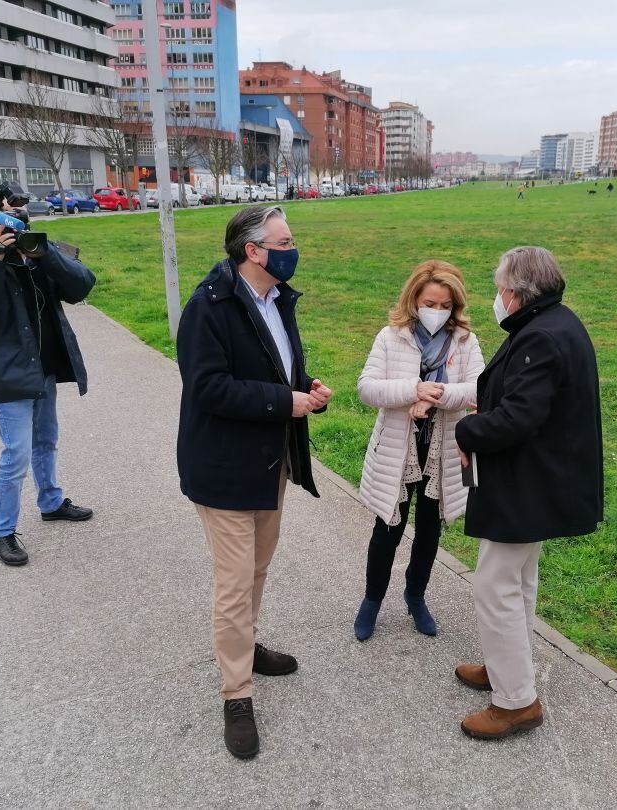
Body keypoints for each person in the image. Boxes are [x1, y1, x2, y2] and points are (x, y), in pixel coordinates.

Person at [176, 205, 334, 760]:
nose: (294, 248)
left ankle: (245, 647)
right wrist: (283, 401)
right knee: (234, 580)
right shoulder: (209, 307)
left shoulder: (276, 299)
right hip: (223, 469)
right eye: (285, 240)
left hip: (271, 464)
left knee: (257, 570)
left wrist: (304, 385)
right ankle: (236, 694)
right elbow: (208, 389)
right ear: (254, 251)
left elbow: (275, 365)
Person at [453, 246, 603, 739]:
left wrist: (468, 432)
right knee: (517, 579)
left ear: (516, 294)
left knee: (496, 583)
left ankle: (515, 701)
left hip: (527, 484)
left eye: (500, 290)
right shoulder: (554, 323)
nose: (497, 298)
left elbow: (518, 418)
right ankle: (507, 669)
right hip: (539, 479)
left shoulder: (542, 336)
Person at [0, 203, 97, 567]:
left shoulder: (37, 259)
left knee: (46, 440)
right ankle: (1, 532)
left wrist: (45, 253)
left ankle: (50, 502)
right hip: (9, 374)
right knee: (16, 453)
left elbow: (82, 286)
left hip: (43, 369)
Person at [354, 261, 484, 641]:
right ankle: (371, 600)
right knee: (387, 528)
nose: (437, 312)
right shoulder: (391, 337)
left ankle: (416, 596)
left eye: (446, 305)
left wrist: (439, 395)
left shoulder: (465, 340)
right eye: (431, 303)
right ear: (414, 299)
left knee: (430, 529)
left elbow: (478, 389)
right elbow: (368, 388)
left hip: (443, 451)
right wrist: (413, 389)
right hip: (399, 449)